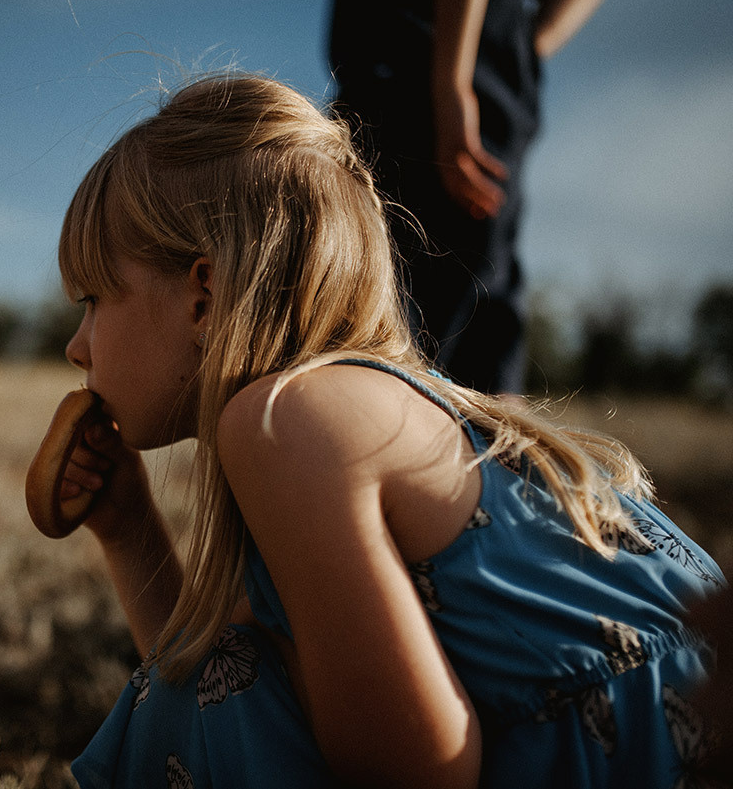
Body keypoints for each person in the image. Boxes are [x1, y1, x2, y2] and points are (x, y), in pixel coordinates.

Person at [42, 74, 726, 788]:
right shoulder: (346, 411)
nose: (77, 344)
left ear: (204, 295)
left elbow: (420, 769)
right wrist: (129, 529)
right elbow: (220, 687)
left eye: (93, 298)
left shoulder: (286, 421)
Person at [326, 0, 607, 395]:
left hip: (424, 80)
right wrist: (521, 51)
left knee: (395, 322)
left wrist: (454, 83)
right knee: (478, 308)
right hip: (464, 76)